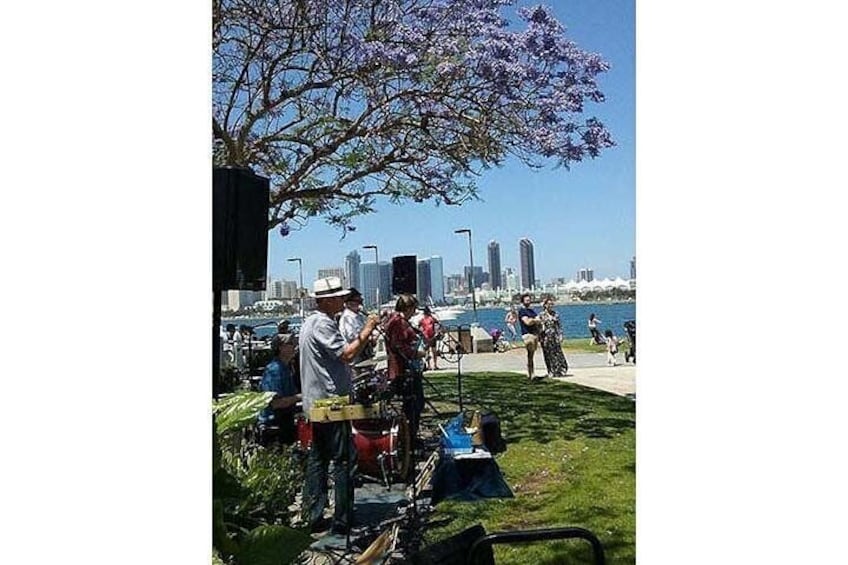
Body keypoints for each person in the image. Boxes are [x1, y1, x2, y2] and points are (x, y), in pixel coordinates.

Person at [299, 276, 380, 535]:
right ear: (326, 300)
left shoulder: (310, 322)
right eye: (338, 297)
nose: (343, 301)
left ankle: (313, 514)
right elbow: (346, 354)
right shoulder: (323, 324)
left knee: (319, 459)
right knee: (343, 460)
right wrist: (367, 330)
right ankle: (342, 520)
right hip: (331, 403)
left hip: (318, 402)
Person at [384, 294, 428, 441]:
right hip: (402, 369)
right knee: (414, 404)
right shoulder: (397, 322)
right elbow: (399, 347)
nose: (415, 312)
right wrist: (418, 353)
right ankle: (408, 439)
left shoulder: (400, 321)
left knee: (414, 404)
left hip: (407, 368)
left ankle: (409, 437)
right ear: (407, 308)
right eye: (413, 308)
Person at [256, 333, 301, 447]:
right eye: (291, 343)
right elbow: (276, 403)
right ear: (280, 348)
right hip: (274, 424)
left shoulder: (286, 367)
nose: (295, 346)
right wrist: (302, 397)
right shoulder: (275, 370)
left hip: (285, 420)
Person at [538, 298, 569, 377]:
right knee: (548, 354)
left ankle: (560, 370)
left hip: (554, 336)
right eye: (549, 304)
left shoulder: (555, 314)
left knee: (557, 353)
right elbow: (538, 327)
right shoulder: (541, 315)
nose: (550, 306)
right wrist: (539, 337)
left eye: (552, 304)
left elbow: (559, 326)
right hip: (545, 336)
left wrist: (561, 335)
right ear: (545, 305)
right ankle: (551, 370)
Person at [517, 293, 542, 380]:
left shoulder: (531, 311)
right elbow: (527, 322)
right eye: (527, 300)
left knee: (531, 355)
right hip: (527, 335)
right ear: (523, 301)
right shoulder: (522, 311)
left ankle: (531, 373)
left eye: (529, 300)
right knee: (530, 354)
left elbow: (538, 320)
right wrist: (535, 320)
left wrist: (533, 320)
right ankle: (531, 374)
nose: (529, 301)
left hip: (534, 334)